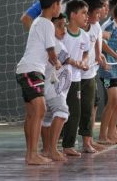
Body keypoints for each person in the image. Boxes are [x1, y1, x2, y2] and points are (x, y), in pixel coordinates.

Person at [15, 0, 62, 165]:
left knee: (32, 114)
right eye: (60, 4)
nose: (60, 8)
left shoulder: (38, 21)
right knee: (40, 110)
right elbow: (51, 51)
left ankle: (30, 154)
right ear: (55, 5)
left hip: (27, 70)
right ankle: (33, 154)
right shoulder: (46, 23)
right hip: (31, 71)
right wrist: (57, 62)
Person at [40, 13, 72, 162]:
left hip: (51, 88)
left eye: (64, 25)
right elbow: (66, 60)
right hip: (54, 88)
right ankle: (53, 149)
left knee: (46, 119)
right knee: (62, 112)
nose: (63, 29)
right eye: (59, 26)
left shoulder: (55, 43)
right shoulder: (54, 44)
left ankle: (46, 149)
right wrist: (80, 63)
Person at [98, 0, 117, 145]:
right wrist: (116, 56)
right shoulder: (109, 26)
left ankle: (112, 132)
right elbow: (102, 45)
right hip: (109, 70)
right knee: (112, 101)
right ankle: (103, 135)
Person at [61, 0, 90, 156]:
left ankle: (68, 145)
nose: (87, 16)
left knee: (75, 112)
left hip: (76, 79)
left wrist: (84, 62)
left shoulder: (84, 36)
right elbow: (58, 53)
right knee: (57, 111)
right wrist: (74, 62)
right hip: (60, 78)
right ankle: (49, 144)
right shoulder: (62, 33)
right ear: (72, 15)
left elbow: (86, 52)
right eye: (83, 13)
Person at [79, 0, 106, 153]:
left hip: (89, 74)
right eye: (97, 13)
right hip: (75, 76)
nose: (99, 17)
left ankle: (87, 141)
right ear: (87, 13)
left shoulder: (96, 27)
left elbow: (96, 45)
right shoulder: (76, 28)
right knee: (73, 110)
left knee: (89, 109)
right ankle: (64, 142)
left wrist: (99, 56)